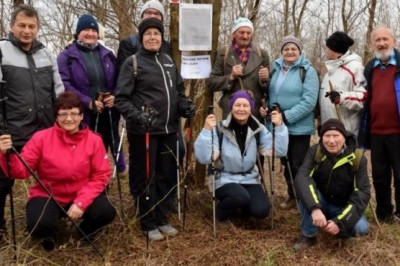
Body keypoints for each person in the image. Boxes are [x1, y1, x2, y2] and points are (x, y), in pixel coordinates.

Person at [0, 91, 116, 251]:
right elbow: (21, 171)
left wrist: (81, 202)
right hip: (48, 193)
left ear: (82, 116)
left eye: (74, 113)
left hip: (81, 191)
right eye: (63, 114)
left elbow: (101, 175)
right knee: (37, 224)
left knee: (106, 212)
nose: (69, 119)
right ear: (56, 117)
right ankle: (50, 234)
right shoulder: (41, 138)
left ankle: (84, 232)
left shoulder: (94, 140)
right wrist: (5, 154)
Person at [115, 18, 195, 241]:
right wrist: (138, 116)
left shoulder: (169, 61)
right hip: (144, 132)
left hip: (169, 129)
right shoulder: (133, 63)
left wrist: (184, 106)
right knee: (145, 176)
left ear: (162, 37)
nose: (153, 37)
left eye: (156, 33)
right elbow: (121, 99)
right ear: (141, 37)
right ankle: (147, 220)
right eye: (148, 33)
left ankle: (161, 217)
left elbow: (178, 93)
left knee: (164, 175)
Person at [0, 4, 64, 243]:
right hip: (11, 131)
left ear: (37, 28)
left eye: (31, 26)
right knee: (3, 183)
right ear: (12, 26)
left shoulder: (46, 54)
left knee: (51, 177)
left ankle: (50, 219)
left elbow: (58, 91)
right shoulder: (2, 51)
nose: (27, 31)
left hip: (45, 130)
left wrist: (62, 122)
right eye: (22, 26)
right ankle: (0, 228)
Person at [194, 90, 288, 222]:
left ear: (251, 108)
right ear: (231, 107)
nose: (241, 109)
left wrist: (279, 127)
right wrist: (206, 130)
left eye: (245, 105)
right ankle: (220, 213)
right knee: (240, 196)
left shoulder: (257, 129)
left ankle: (241, 208)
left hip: (249, 178)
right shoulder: (219, 129)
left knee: (262, 210)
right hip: (224, 179)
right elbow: (204, 158)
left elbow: (279, 151)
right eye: (237, 105)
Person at [57, 14, 126, 174]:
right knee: (86, 152)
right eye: (85, 30)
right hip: (82, 113)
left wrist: (114, 96)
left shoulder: (107, 54)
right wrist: (87, 102)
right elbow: (64, 84)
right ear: (78, 33)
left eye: (93, 30)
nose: (90, 33)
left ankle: (104, 181)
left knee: (105, 146)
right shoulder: (66, 56)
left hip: (108, 111)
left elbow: (119, 78)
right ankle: (87, 184)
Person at [260, 36, 319, 209]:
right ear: (282, 51)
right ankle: (292, 197)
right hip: (278, 126)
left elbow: (309, 102)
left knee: (298, 163)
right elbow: (270, 95)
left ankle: (304, 199)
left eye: (294, 49)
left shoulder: (307, 71)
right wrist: (266, 110)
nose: (290, 52)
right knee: (286, 162)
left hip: (299, 128)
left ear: (299, 51)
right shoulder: (275, 69)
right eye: (286, 49)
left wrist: (286, 116)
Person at [293, 118, 370, 251]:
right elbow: (302, 177)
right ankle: (309, 235)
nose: (331, 141)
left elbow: (362, 193)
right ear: (322, 137)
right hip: (320, 201)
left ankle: (335, 225)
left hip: (344, 206)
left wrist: (341, 222)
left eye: (336, 136)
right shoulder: (315, 151)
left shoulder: (358, 158)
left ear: (344, 137)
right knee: (305, 191)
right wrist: (315, 208)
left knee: (361, 229)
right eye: (327, 136)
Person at [359, 25, 400, 223]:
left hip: (398, 131)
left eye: (386, 39)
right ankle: (384, 213)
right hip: (375, 131)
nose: (382, 43)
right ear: (372, 43)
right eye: (378, 40)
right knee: (380, 175)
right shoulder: (370, 68)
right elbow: (363, 96)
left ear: (394, 41)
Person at [207, 17, 270, 120]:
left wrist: (264, 80)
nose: (245, 36)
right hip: (230, 111)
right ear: (233, 34)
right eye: (241, 32)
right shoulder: (224, 54)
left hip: (255, 111)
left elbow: (268, 88)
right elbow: (212, 82)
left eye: (248, 33)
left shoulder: (262, 54)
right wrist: (231, 77)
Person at [320, 31, 367, 139]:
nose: (325, 50)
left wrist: (342, 97)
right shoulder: (330, 71)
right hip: (329, 131)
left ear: (336, 50)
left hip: (347, 133)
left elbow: (364, 97)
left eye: (328, 48)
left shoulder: (355, 68)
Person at [116, 0, 171, 75]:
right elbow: (122, 76)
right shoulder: (128, 43)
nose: (152, 16)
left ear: (162, 19)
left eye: (156, 13)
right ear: (142, 17)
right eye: (148, 12)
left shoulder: (167, 46)